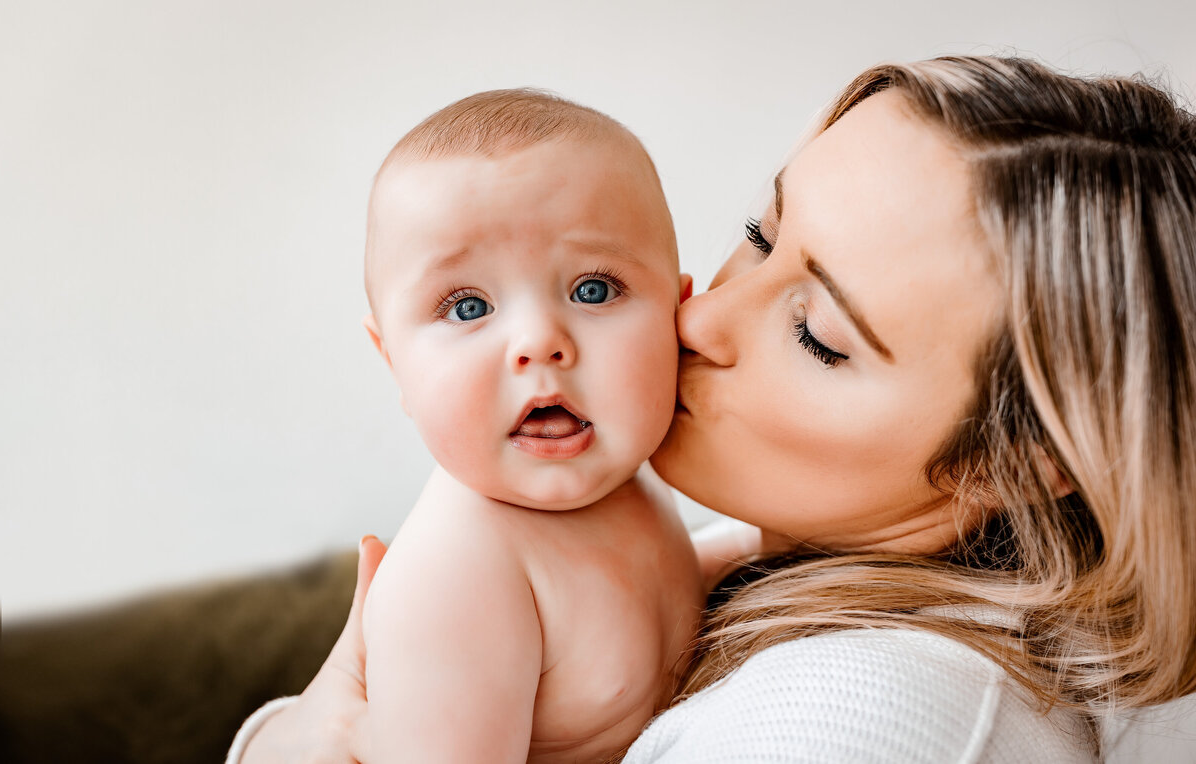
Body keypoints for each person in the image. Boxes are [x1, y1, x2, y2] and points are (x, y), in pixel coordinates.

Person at [231, 55, 1196, 763]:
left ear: (1012, 460)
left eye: (817, 334)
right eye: (759, 236)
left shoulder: (852, 724)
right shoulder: (778, 565)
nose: (697, 318)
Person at [356, 89, 704, 762]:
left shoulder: (631, 481)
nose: (539, 341)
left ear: (676, 315)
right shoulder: (454, 579)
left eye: (593, 289)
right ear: (393, 361)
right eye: (467, 307)